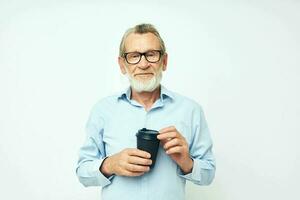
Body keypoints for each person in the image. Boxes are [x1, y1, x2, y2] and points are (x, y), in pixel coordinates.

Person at [76, 23, 216, 200]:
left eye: (151, 55)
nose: (143, 64)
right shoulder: (103, 110)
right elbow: (82, 172)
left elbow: (208, 174)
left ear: (164, 61)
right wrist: (110, 164)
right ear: (122, 64)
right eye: (134, 56)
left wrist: (187, 162)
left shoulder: (190, 110)